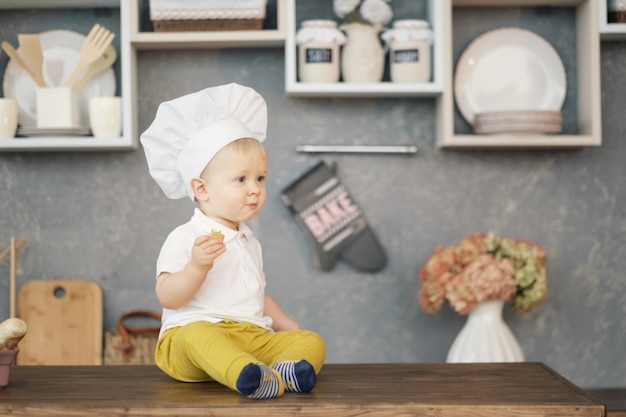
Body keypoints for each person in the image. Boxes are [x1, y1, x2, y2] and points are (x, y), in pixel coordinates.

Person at [140, 83, 326, 399]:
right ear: (201, 189)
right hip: (192, 338)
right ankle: (247, 375)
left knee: (311, 340)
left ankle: (279, 370)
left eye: (260, 178)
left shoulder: (249, 241)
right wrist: (196, 268)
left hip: (248, 337)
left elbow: (255, 293)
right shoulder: (186, 237)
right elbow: (168, 297)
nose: (254, 188)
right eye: (241, 179)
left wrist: (283, 322)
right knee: (197, 336)